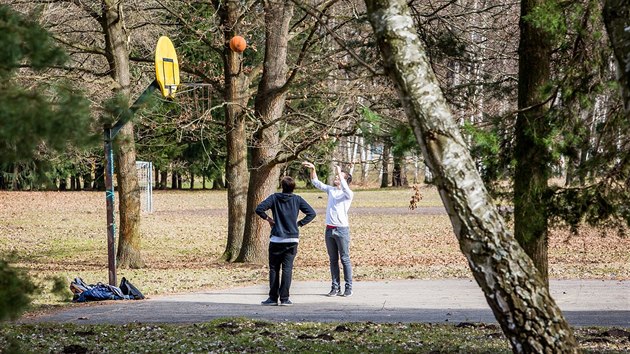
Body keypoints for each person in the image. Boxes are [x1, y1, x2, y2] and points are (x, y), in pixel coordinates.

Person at [256, 176, 316, 306]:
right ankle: (285, 298)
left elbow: (259, 209)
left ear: (282, 186)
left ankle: (272, 298)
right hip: (292, 239)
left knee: (274, 269)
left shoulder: (274, 198)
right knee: (287, 269)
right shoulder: (297, 199)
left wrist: (269, 219)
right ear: (293, 187)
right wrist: (299, 223)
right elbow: (311, 213)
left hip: (277, 238)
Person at [302, 161, 354, 297]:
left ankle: (348, 288)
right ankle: (335, 287)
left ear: (345, 180)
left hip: (342, 229)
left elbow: (346, 187)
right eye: (336, 177)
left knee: (345, 259)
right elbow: (316, 182)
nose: (336, 178)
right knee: (333, 260)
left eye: (339, 177)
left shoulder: (348, 194)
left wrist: (340, 173)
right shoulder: (331, 190)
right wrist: (313, 168)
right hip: (329, 229)